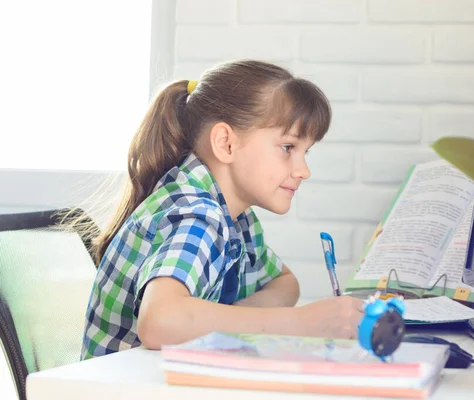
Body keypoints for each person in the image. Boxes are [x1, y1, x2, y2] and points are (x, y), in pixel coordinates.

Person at [80, 60, 365, 360]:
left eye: (305, 152)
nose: (303, 170)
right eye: (287, 148)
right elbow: (160, 321)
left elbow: (285, 283)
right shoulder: (197, 214)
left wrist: (226, 321)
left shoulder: (238, 221)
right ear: (225, 144)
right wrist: (300, 323)